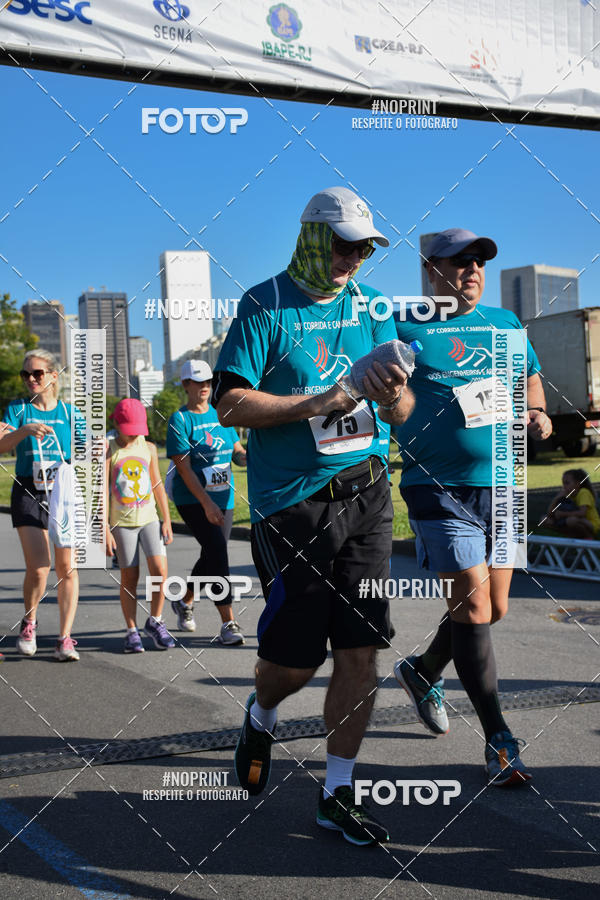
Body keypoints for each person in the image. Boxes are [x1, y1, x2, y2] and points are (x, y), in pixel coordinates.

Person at [213, 186, 413, 846]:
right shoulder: (263, 305)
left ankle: (338, 792)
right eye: (343, 245)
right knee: (294, 663)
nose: (352, 259)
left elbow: (400, 409)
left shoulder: (372, 306)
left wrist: (394, 395)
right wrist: (319, 401)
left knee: (361, 649)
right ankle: (262, 711)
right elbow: (230, 406)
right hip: (292, 505)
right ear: (311, 238)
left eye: (364, 249)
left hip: (369, 493)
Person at [392, 227, 552, 786]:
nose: (473, 270)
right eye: (460, 261)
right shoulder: (401, 324)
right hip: (437, 487)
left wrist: (538, 412)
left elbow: (530, 378)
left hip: (503, 485)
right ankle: (499, 739)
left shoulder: (505, 324)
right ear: (431, 269)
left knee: (492, 608)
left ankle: (422, 670)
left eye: (479, 261)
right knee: (475, 607)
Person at [0, 349, 80, 661]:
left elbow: (88, 451)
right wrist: (24, 430)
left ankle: (65, 638)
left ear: (53, 376)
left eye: (37, 373)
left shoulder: (70, 413)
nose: (31, 379)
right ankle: (29, 622)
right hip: (28, 491)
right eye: (26, 374)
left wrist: (99, 447)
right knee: (39, 567)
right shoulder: (18, 409)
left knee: (67, 568)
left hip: (63, 493)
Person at [166, 360, 247, 645]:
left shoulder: (220, 412)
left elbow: (237, 452)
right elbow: (184, 469)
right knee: (218, 553)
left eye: (207, 382)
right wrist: (206, 504)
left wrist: (250, 457)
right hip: (193, 499)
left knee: (212, 553)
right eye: (197, 381)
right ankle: (228, 623)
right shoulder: (180, 420)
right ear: (185, 384)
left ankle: (184, 601)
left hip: (224, 496)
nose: (203, 387)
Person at [105, 398, 175, 652]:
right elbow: (102, 490)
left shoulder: (149, 448)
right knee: (130, 576)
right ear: (117, 423)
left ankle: (155, 621)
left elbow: (157, 484)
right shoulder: (109, 449)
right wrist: (104, 528)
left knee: (160, 570)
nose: (134, 434)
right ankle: (131, 630)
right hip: (122, 523)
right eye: (129, 429)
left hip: (149, 519)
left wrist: (166, 519)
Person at [545, 469, 600, 539]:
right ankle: (572, 536)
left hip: (591, 524)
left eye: (567, 483)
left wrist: (562, 514)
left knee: (571, 520)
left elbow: (582, 513)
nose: (564, 486)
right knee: (545, 520)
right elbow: (550, 513)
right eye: (563, 483)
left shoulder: (583, 492)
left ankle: (588, 537)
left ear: (577, 484)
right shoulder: (567, 495)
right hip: (573, 520)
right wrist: (556, 499)